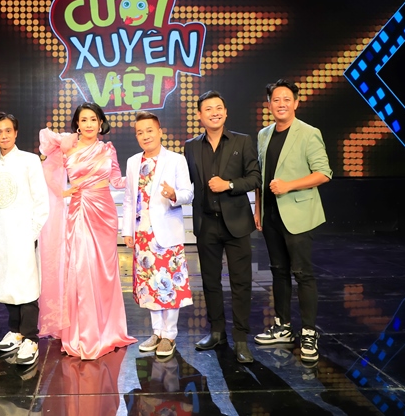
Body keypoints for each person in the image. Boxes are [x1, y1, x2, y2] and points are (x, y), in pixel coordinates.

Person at [38, 102, 136, 359]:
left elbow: (116, 181)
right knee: (82, 270)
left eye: (93, 119)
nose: (89, 124)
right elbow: (47, 172)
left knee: (105, 273)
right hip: (80, 211)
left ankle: (108, 330)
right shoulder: (67, 147)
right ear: (77, 124)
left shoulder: (108, 149)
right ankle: (83, 335)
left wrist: (141, 175)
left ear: (101, 122)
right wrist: (63, 192)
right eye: (84, 120)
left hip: (105, 214)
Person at [253, 79, 332, 364]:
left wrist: (289, 185)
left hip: (297, 214)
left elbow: (323, 173)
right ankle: (283, 326)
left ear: (296, 103)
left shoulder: (309, 133)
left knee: (302, 273)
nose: (281, 104)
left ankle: (309, 332)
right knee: (278, 271)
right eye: (276, 99)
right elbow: (261, 175)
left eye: (287, 99)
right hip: (271, 215)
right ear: (269, 104)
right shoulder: (264, 134)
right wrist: (258, 209)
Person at [184, 90, 261, 364]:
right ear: (199, 116)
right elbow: (186, 182)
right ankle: (217, 332)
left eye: (219, 108)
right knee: (210, 281)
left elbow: (255, 177)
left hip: (236, 223)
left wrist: (228, 184)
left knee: (241, 282)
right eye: (208, 109)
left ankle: (241, 339)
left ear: (225, 113)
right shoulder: (191, 146)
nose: (214, 112)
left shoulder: (242, 141)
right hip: (206, 223)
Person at [121, 112, 194, 358]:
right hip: (142, 234)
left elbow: (188, 193)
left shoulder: (176, 160)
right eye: (140, 132)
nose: (145, 136)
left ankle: (169, 335)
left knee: (169, 284)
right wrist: (127, 230)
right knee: (149, 285)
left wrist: (174, 195)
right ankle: (157, 332)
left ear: (160, 131)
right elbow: (129, 199)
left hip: (166, 232)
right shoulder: (133, 162)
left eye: (149, 130)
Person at [0, 112, 49, 365]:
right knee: (6, 282)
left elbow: (41, 201)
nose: (4, 136)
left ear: (16, 132)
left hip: (23, 234)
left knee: (26, 284)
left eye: (8, 130)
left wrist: (32, 233)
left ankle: (30, 338)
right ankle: (15, 331)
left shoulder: (30, 161)